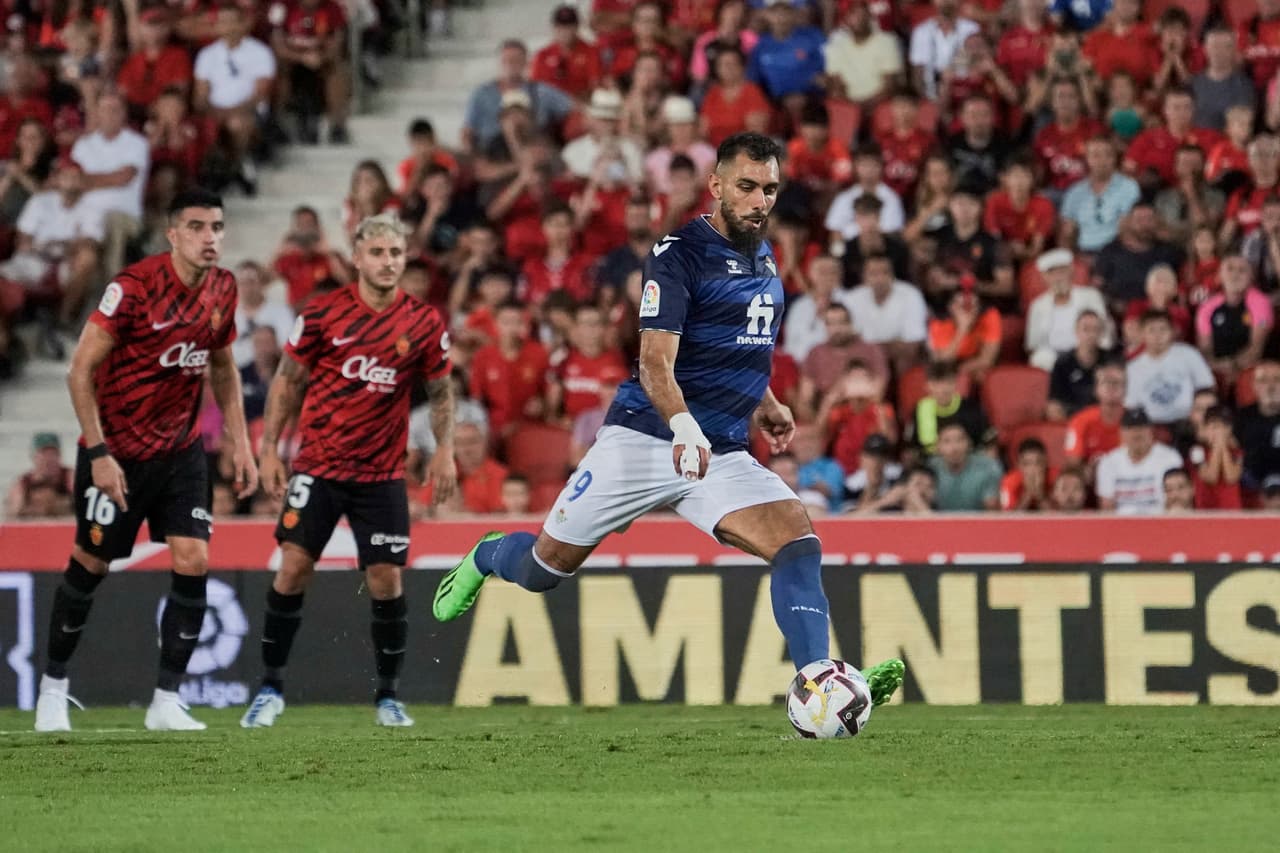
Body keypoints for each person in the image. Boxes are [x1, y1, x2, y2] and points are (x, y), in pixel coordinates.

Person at [430, 133, 905, 701]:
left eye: (770, 189)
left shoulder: (763, 252)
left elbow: (737, 344)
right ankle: (487, 554)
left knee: (797, 543)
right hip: (646, 437)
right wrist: (683, 428)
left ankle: (819, 681)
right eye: (748, 187)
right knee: (543, 569)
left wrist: (767, 400)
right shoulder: (677, 251)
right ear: (717, 186)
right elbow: (655, 361)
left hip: (719, 451)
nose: (760, 201)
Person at [33, 189, 258, 733]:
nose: (211, 238)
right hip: (118, 453)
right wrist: (99, 451)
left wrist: (242, 441)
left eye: (218, 227)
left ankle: (165, 702)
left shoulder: (223, 289)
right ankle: (53, 691)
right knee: (90, 566)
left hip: (181, 452)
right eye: (198, 227)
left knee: (194, 559)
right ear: (172, 234)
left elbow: (222, 367)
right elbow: (78, 371)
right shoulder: (132, 290)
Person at [240, 214, 456, 729]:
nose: (387, 262)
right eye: (378, 253)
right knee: (292, 569)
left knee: (385, 579)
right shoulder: (322, 314)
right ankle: (269, 689)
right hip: (318, 465)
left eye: (396, 254)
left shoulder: (423, 322)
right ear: (357, 258)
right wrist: (270, 448)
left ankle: (388, 696)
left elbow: (443, 389)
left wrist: (444, 449)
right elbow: (289, 382)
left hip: (381, 475)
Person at [1025, 248, 1111, 372]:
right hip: (1052, 358)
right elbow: (1032, 345)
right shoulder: (1038, 305)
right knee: (1039, 359)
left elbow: (1104, 330)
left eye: (1062, 271)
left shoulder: (1091, 296)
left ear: (1071, 272)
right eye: (1052, 273)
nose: (1058, 277)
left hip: (1087, 351)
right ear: (1044, 277)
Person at [1125, 309, 1215, 426]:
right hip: (1152, 426)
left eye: (1163, 329)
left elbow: (1207, 388)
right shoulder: (1133, 368)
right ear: (1142, 333)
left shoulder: (1189, 354)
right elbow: (1132, 405)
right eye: (1151, 330)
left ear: (1172, 332)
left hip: (1189, 422)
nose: (1158, 336)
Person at [1095, 408, 1184, 514]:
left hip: (1160, 522)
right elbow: (1107, 507)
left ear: (1151, 431)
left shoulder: (1169, 458)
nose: (1136, 433)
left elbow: (1175, 498)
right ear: (1121, 433)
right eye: (1130, 428)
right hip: (1120, 525)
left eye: (1141, 428)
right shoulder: (1109, 462)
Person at [1064, 360, 1126, 477]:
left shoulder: (1133, 421)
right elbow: (1073, 464)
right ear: (1096, 389)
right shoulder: (1080, 420)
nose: (1111, 387)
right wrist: (1086, 470)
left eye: (1116, 383)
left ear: (1125, 390)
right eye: (1106, 382)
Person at [928, 420, 1002, 511]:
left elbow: (992, 512)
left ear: (969, 443)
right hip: (939, 523)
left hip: (978, 523)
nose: (954, 448)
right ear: (937, 447)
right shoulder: (929, 468)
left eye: (960, 440)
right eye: (947, 441)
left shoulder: (988, 467)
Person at [1048, 311, 1109, 420]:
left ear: (1101, 333)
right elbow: (1054, 405)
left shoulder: (1110, 361)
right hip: (1071, 418)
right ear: (1076, 331)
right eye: (1086, 329)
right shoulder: (1062, 363)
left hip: (1102, 418)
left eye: (1095, 330)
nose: (1091, 334)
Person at [4, 432, 73, 519]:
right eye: (44, 454)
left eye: (53, 454)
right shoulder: (23, 485)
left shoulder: (69, 478)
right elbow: (12, 515)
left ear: (59, 456)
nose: (49, 459)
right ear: (34, 457)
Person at [999, 437, 1055, 512]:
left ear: (1046, 462)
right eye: (1027, 464)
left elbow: (1060, 519)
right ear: (1019, 465)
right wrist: (1028, 494)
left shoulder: (1055, 478)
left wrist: (1040, 495)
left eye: (1038, 462)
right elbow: (1009, 518)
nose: (1033, 468)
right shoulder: (1009, 482)